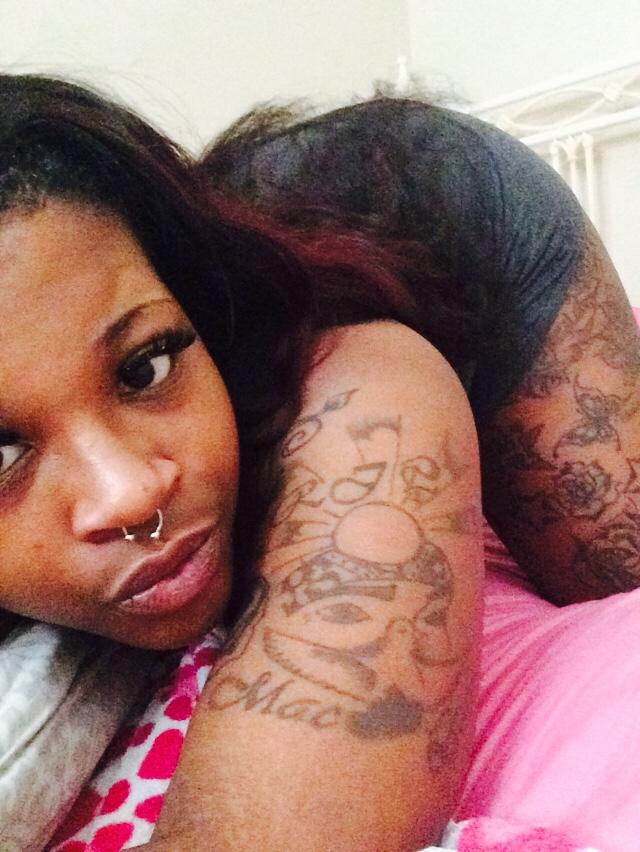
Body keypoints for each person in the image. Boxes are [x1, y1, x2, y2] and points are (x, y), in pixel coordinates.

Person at [0, 74, 637, 851]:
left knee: (619, 557)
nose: (131, 495)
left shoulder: (349, 377)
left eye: (146, 366)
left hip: (463, 211)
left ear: (195, 309)